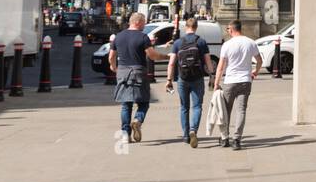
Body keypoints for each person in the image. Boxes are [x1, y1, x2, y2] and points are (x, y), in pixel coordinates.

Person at [109, 12, 162, 144]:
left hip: (122, 72)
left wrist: (114, 67)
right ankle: (138, 120)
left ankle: (126, 134)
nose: (144, 25)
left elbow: (111, 56)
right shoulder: (143, 37)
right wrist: (167, 57)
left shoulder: (118, 37)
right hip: (138, 71)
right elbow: (152, 55)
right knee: (144, 102)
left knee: (126, 105)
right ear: (137, 22)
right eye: (144, 22)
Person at [166, 14, 215, 148]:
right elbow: (208, 62)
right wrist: (212, 75)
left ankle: (186, 135)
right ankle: (193, 129)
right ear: (196, 27)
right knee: (197, 106)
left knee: (184, 107)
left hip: (183, 78)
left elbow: (171, 64)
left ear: (186, 27)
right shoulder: (201, 42)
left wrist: (169, 80)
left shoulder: (178, 43)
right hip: (198, 78)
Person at [213, 19, 261, 150]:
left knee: (226, 110)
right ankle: (237, 139)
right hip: (245, 80)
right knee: (241, 110)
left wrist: (216, 83)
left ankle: (224, 138)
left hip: (230, 82)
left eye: (228, 29)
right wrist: (255, 72)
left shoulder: (227, 45)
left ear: (232, 29)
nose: (227, 31)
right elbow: (259, 60)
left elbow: (220, 67)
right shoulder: (250, 43)